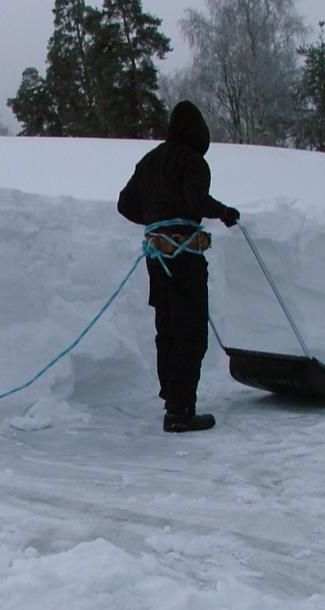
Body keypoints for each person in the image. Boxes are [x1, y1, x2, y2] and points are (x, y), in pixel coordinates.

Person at [117, 101, 240, 433]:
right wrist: (225, 212)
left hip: (157, 258)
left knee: (167, 328)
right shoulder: (193, 161)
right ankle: (180, 411)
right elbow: (196, 201)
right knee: (191, 333)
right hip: (184, 257)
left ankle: (172, 394)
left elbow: (125, 204)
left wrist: (157, 221)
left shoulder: (150, 161)